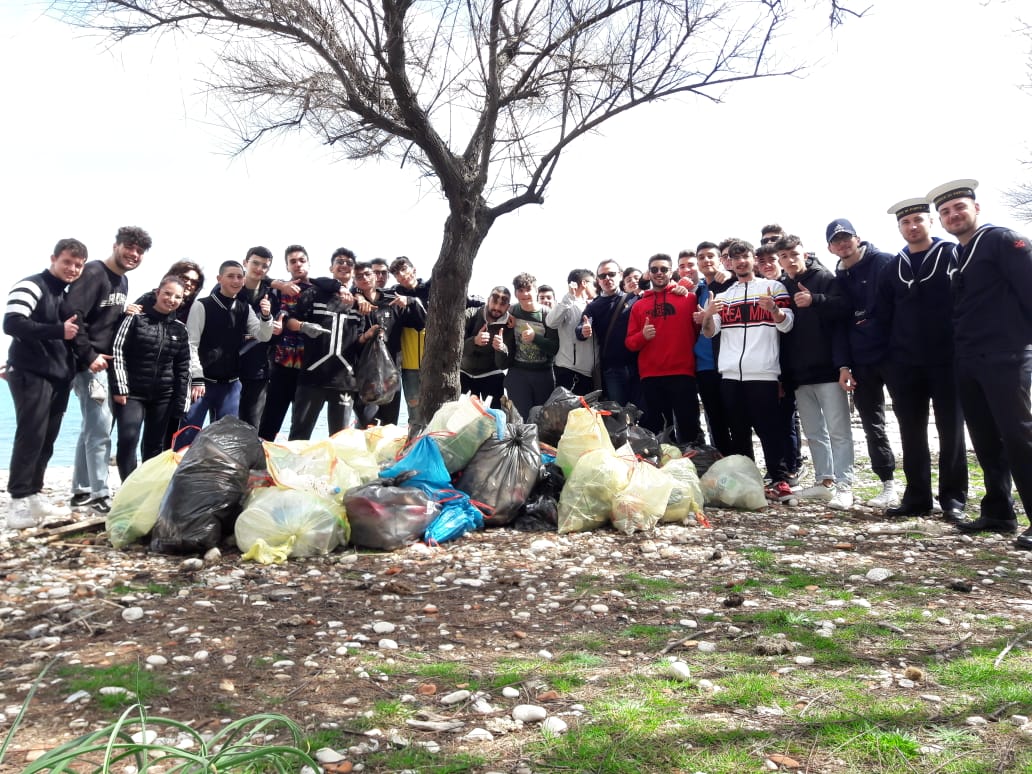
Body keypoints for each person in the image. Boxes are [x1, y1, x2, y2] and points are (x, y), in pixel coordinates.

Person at [928, 179, 1032, 549]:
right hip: (969, 358)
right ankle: (999, 511)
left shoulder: (1003, 241)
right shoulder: (958, 254)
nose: (953, 215)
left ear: (976, 208)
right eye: (945, 212)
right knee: (986, 440)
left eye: (959, 207)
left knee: (1020, 437)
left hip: (1005, 355)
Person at [879, 197, 966, 523]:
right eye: (906, 222)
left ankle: (953, 500)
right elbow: (882, 315)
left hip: (948, 359)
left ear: (930, 222)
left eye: (918, 219)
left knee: (951, 432)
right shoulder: (893, 266)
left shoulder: (951, 254)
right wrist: (888, 359)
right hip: (905, 363)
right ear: (900, 228)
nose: (912, 226)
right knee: (911, 433)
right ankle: (916, 497)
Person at [699, 240, 795, 502]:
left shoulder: (774, 287)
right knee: (738, 431)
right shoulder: (723, 296)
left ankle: (779, 479)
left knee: (769, 430)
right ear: (728, 261)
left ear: (754, 259)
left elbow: (787, 326)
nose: (740, 262)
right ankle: (748, 479)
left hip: (762, 373)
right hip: (730, 375)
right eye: (734, 257)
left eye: (745, 256)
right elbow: (710, 332)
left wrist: (774, 310)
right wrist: (708, 315)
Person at [65, 225, 151, 515]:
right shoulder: (92, 273)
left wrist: (125, 311)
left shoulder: (122, 280)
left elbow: (104, 318)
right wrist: (88, 356)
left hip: (104, 364)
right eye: (130, 247)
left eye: (140, 251)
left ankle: (81, 491)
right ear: (116, 245)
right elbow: (73, 317)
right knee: (101, 427)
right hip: (88, 365)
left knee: (92, 426)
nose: (134, 254)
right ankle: (100, 495)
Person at [4, 239, 85, 529]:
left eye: (78, 265)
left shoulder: (63, 295)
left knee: (47, 438)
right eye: (67, 262)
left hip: (58, 377)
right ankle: (18, 501)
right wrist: (57, 330)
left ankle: (35, 493)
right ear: (54, 259)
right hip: (30, 372)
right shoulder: (33, 285)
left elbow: (73, 337)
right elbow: (11, 323)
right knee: (31, 434)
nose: (72, 268)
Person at [776, 235, 854, 509]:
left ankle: (846, 486)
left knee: (839, 431)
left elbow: (845, 311)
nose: (790, 260)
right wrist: (784, 377)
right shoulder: (781, 287)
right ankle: (825, 481)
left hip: (828, 370)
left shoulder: (825, 278)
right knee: (814, 432)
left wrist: (816, 300)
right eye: (784, 256)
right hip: (799, 374)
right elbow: (782, 337)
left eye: (794, 254)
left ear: (804, 253)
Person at [827, 218, 899, 509]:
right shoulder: (839, 277)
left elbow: (901, 307)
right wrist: (844, 365)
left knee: (910, 422)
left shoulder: (884, 262)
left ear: (857, 238)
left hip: (895, 356)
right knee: (873, 424)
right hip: (862, 360)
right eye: (837, 240)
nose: (843, 243)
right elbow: (840, 324)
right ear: (830, 248)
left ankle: (921, 488)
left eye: (847, 238)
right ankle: (888, 484)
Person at [180, 260, 274, 446]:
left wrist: (266, 316)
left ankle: (218, 474)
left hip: (231, 384)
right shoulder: (202, 305)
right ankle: (178, 472)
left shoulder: (244, 307)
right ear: (219, 279)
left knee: (225, 440)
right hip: (202, 383)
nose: (236, 280)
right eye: (230, 276)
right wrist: (197, 378)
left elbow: (263, 335)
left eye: (240, 277)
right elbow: (191, 344)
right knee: (188, 434)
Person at [110, 275, 190, 480]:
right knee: (128, 439)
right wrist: (120, 387)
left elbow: (183, 367)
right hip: (132, 393)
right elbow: (117, 351)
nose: (171, 299)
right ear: (157, 293)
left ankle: (146, 487)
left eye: (177, 297)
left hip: (163, 395)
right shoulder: (135, 319)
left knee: (154, 446)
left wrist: (182, 402)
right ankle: (128, 486)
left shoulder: (180, 329)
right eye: (167, 293)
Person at [289, 252, 375, 440]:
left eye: (348, 263)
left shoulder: (359, 302)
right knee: (299, 435)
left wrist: (367, 336)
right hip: (312, 377)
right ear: (331, 268)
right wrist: (303, 326)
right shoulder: (314, 292)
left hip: (344, 381)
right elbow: (290, 320)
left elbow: (358, 342)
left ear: (353, 271)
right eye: (339, 262)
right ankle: (292, 469)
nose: (344, 265)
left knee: (340, 439)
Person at [625, 253, 702, 444]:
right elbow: (630, 343)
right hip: (651, 376)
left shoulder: (689, 299)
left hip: (683, 372)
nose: (659, 273)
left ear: (671, 271)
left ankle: (695, 466)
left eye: (664, 269)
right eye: (654, 269)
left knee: (689, 427)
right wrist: (643, 336)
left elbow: (700, 332)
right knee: (657, 430)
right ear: (648, 273)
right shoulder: (639, 305)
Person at [354, 260, 427, 428]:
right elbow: (352, 342)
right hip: (364, 376)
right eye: (374, 272)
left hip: (392, 375)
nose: (378, 277)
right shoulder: (355, 303)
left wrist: (411, 302)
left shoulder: (394, 301)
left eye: (382, 273)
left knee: (389, 426)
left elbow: (420, 323)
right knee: (366, 425)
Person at [258, 245, 312, 441]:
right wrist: (279, 284)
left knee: (301, 428)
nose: (298, 264)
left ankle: (294, 467)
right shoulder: (278, 290)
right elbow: (254, 278)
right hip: (281, 365)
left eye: (301, 260)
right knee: (269, 423)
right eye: (293, 262)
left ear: (309, 263)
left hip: (308, 369)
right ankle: (260, 464)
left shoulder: (319, 290)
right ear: (287, 267)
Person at [494, 273, 559, 420]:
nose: (524, 294)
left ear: (536, 291)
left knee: (542, 420)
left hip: (544, 375)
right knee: (520, 420)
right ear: (516, 292)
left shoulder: (547, 314)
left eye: (528, 289)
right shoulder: (511, 312)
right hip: (518, 374)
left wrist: (535, 338)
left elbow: (554, 348)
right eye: (520, 290)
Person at [690, 241, 734, 454]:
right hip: (704, 365)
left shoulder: (731, 284)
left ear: (720, 260)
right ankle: (724, 465)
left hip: (729, 364)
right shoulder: (697, 290)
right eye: (701, 257)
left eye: (710, 256)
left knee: (737, 419)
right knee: (715, 421)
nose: (706, 260)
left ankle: (744, 464)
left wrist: (729, 275)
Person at [579, 260, 640, 406]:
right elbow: (581, 328)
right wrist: (583, 330)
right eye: (603, 276)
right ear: (598, 280)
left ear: (620, 275)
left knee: (646, 415)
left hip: (639, 365)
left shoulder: (634, 298)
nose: (607, 278)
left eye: (611, 274)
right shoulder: (593, 306)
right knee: (619, 417)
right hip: (612, 369)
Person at [237, 247, 280, 429]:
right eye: (255, 263)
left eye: (265, 266)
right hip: (228, 370)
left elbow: (274, 334)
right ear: (245, 262)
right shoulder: (229, 288)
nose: (259, 268)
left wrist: (277, 329)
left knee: (251, 425)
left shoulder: (273, 295)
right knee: (224, 424)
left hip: (258, 370)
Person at [388, 256, 429, 426]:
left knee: (440, 411)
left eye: (404, 269)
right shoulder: (395, 292)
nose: (402, 275)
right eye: (397, 273)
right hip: (409, 365)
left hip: (435, 363)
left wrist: (412, 302)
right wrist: (359, 295)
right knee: (414, 413)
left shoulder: (431, 288)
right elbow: (371, 293)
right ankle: (414, 447)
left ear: (414, 269)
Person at [546, 268, 597, 395]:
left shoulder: (595, 305)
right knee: (566, 414)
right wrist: (569, 298)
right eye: (594, 283)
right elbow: (550, 322)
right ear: (584, 283)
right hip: (568, 372)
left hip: (591, 374)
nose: (598, 286)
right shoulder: (567, 304)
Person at [461, 286, 511, 407]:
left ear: (508, 307)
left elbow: (504, 365)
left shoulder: (510, 326)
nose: (497, 308)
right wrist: (474, 341)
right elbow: (455, 349)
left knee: (493, 419)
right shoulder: (470, 315)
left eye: (503, 304)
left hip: (492, 375)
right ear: (488, 300)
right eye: (494, 301)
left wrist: (501, 349)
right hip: (464, 373)